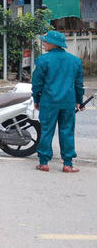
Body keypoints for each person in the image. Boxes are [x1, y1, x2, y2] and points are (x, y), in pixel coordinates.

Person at [31, 30, 84, 173]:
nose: (43, 43)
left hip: (48, 102)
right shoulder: (75, 61)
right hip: (68, 102)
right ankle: (68, 164)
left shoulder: (43, 60)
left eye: (45, 41)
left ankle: (43, 163)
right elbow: (79, 84)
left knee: (46, 131)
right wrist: (79, 101)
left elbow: (37, 83)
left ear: (53, 44)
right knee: (67, 131)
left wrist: (36, 99)